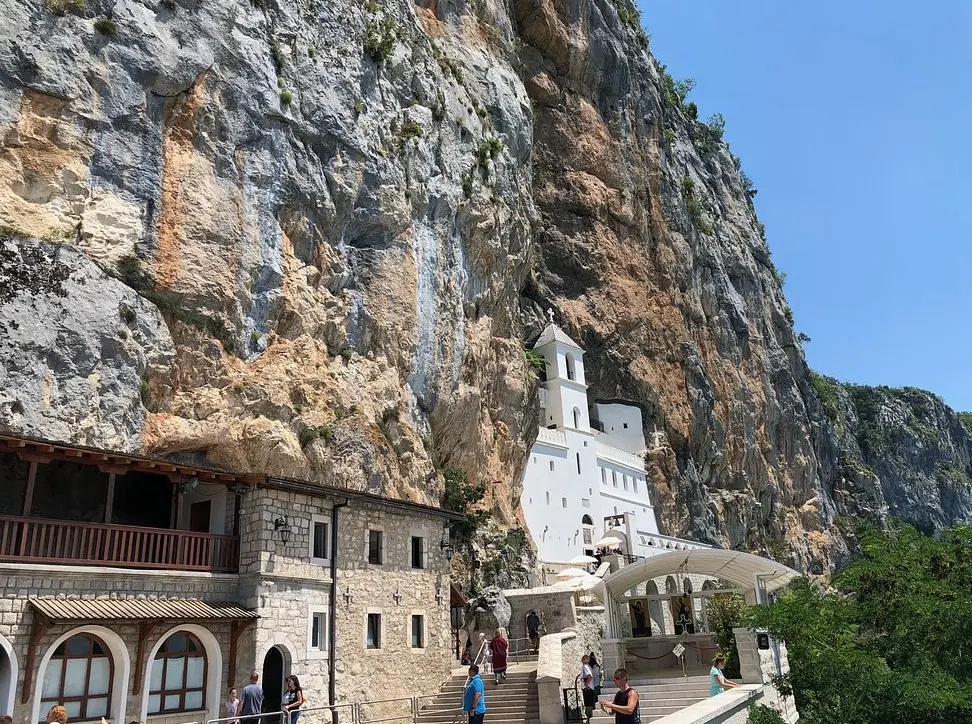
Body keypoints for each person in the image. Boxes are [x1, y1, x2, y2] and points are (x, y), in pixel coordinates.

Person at [580, 655, 595, 720]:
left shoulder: (585, 666)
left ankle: (590, 718)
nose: (582, 660)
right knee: (590, 703)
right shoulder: (588, 666)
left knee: (588, 704)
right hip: (590, 687)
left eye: (583, 659)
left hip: (588, 688)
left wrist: (586, 685)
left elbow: (590, 676)